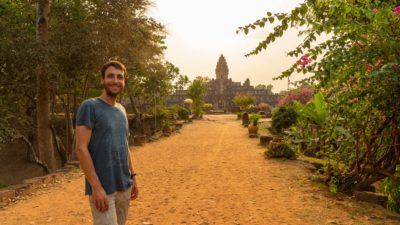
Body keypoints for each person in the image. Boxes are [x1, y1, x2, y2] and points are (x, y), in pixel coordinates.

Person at [75, 60, 138, 225]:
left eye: (120, 77)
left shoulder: (122, 110)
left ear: (124, 81)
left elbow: (124, 145)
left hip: (124, 186)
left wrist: (133, 177)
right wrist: (96, 187)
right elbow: (81, 149)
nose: (115, 81)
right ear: (102, 80)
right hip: (103, 189)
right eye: (110, 76)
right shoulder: (90, 106)